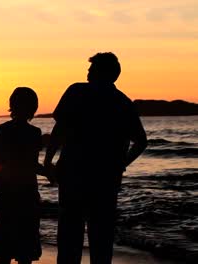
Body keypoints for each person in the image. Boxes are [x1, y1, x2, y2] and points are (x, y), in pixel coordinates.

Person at [43, 52, 148, 264]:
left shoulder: (77, 91)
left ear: (101, 72)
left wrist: (48, 161)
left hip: (74, 174)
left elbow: (59, 129)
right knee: (101, 239)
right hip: (106, 179)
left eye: (91, 69)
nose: (88, 73)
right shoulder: (123, 102)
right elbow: (141, 142)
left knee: (69, 237)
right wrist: (121, 164)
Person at [0, 87, 48, 264]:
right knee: (25, 250)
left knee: (5, 250)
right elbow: (32, 165)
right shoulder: (34, 133)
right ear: (33, 108)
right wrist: (50, 173)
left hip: (7, 193)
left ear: (12, 105)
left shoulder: (1, 130)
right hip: (27, 194)